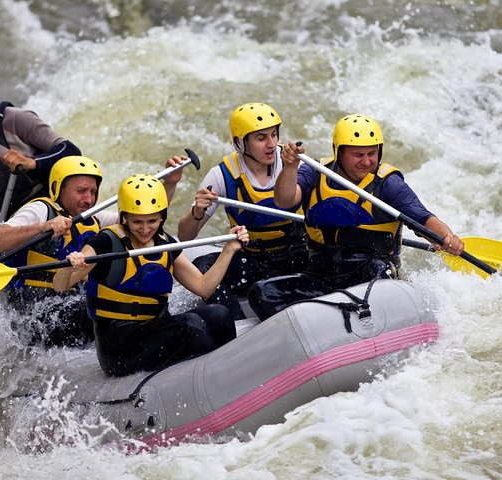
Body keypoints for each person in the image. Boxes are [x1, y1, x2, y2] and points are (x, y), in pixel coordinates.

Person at [251, 113, 465, 319]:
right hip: (322, 276)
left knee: (378, 270)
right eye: (358, 155)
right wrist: (290, 167)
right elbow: (284, 200)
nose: (366, 161)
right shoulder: (316, 171)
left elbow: (422, 218)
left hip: (369, 276)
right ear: (339, 152)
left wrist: (446, 236)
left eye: (371, 154)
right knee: (262, 292)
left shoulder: (388, 184)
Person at [53, 173, 249, 377]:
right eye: (137, 222)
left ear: (162, 216)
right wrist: (72, 267)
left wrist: (229, 249)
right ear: (124, 217)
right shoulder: (106, 242)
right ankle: (222, 374)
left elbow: (204, 287)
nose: (145, 229)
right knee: (190, 326)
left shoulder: (166, 243)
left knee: (219, 314)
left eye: (152, 221)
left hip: (155, 329)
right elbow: (60, 285)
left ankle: (229, 370)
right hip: (118, 344)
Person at [0, 155, 186, 347]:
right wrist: (44, 226)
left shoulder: (94, 218)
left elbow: (142, 222)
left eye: (93, 191)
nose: (89, 199)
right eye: (81, 191)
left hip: (70, 300)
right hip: (34, 309)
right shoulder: (40, 210)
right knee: (99, 310)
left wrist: (170, 184)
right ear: (58, 188)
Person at [176, 102, 307, 319]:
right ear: (240, 143)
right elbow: (184, 236)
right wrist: (197, 212)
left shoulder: (294, 164)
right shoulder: (221, 175)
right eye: (261, 138)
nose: (271, 144)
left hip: (295, 257)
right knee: (201, 267)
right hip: (254, 260)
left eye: (274, 135)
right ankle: (236, 324)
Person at [0, 61, 82, 230]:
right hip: (15, 230)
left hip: (51, 213)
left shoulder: (16, 120)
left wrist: (32, 163)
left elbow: (71, 151)